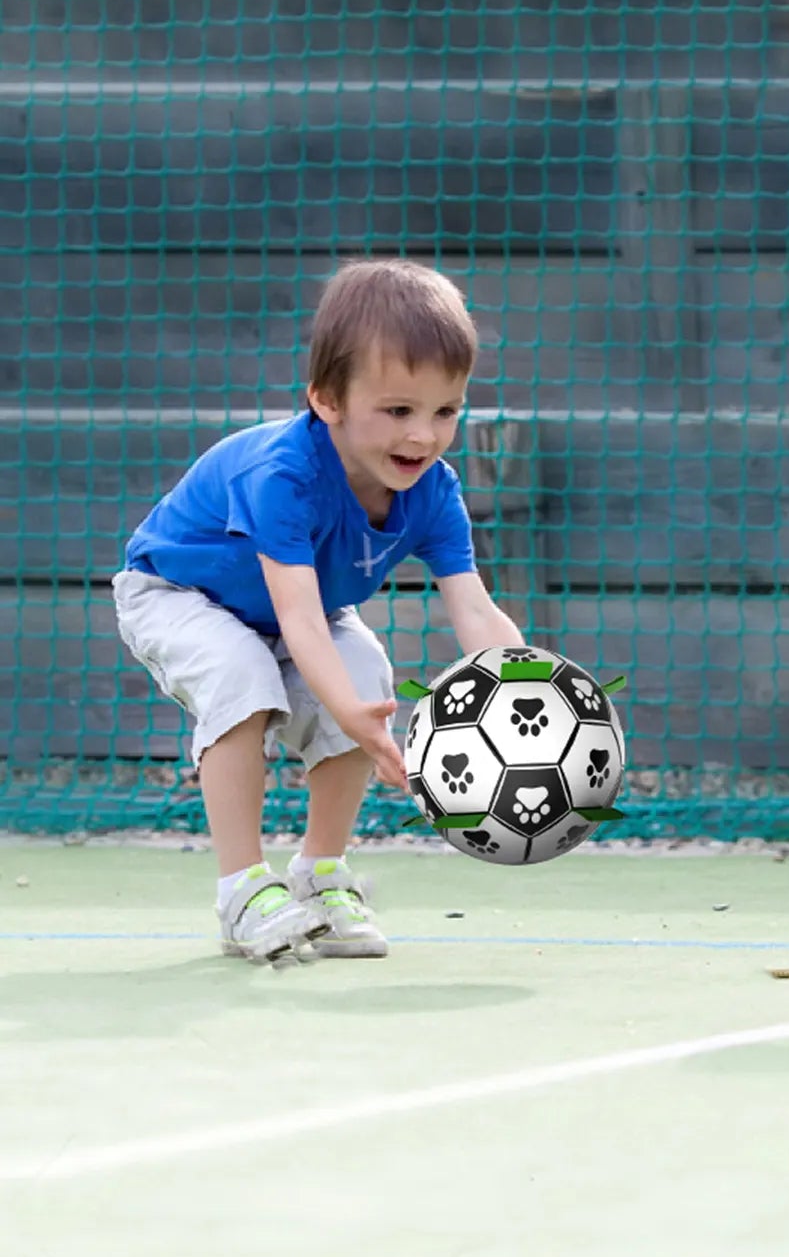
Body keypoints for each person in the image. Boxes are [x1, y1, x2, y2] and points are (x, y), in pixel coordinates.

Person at [111, 259, 525, 965]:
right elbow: (300, 619)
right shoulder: (283, 475)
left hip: (289, 613)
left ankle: (320, 876)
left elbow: (476, 608)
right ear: (328, 400)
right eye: (399, 411)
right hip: (179, 595)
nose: (423, 436)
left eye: (445, 412)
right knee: (243, 675)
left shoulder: (434, 489)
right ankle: (243, 892)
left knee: (363, 674)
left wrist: (527, 689)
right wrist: (353, 718)